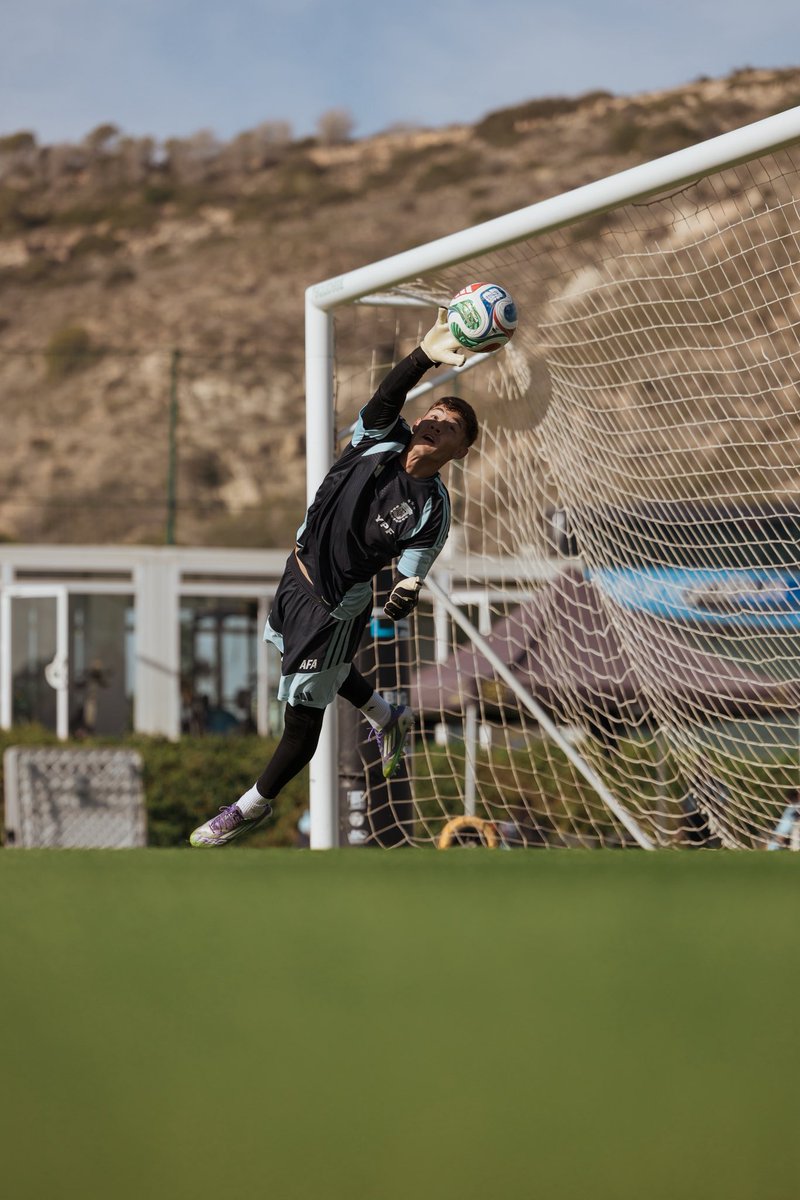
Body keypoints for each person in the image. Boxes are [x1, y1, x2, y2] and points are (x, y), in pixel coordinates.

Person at [190, 308, 485, 846]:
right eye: (435, 413)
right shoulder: (380, 435)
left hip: (334, 606)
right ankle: (385, 714)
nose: (436, 420)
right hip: (295, 576)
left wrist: (404, 594)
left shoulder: (433, 507)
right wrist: (423, 355)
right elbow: (389, 394)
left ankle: (251, 805)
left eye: (451, 425)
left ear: (459, 451)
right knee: (310, 671)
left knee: (302, 715)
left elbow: (411, 576)